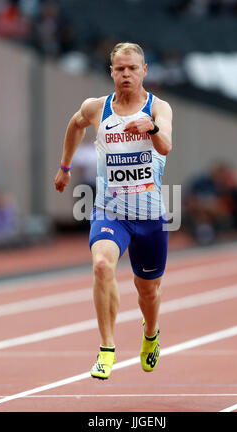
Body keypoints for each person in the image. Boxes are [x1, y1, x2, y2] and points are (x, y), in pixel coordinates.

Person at [54, 42, 172, 379]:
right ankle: (107, 348)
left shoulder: (157, 108)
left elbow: (166, 144)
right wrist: (64, 166)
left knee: (147, 290)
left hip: (149, 217)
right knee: (102, 265)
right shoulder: (96, 108)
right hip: (110, 211)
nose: (126, 74)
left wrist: (150, 128)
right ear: (111, 72)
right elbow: (75, 125)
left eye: (133, 68)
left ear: (144, 71)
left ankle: (151, 334)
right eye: (120, 69)